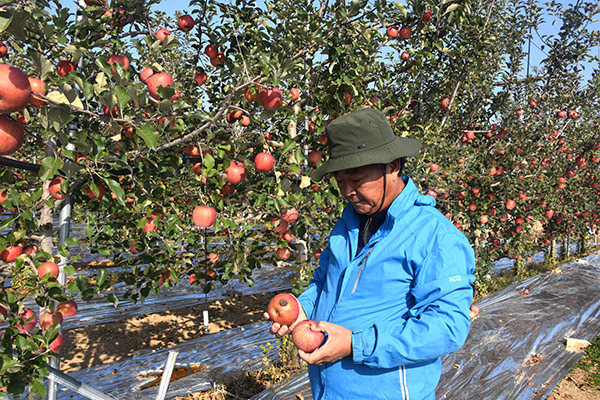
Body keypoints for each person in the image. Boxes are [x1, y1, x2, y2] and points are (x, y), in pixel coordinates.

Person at [265, 108, 475, 400]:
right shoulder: (347, 224)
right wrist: (304, 309)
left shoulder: (432, 236)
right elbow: (324, 282)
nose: (348, 191)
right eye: (340, 181)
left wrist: (355, 344)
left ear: (394, 165)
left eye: (358, 179)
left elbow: (447, 327)